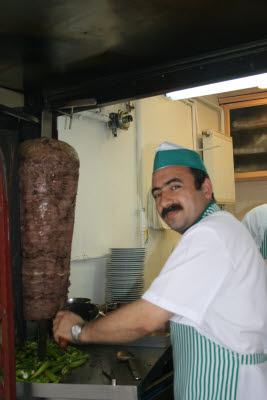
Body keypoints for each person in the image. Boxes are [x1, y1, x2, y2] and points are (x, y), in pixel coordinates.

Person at [53, 142, 267, 400]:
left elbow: (148, 318)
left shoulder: (209, 235)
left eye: (175, 186)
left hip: (226, 388)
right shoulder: (220, 228)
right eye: (156, 194)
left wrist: (79, 331)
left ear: (206, 188)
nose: (164, 200)